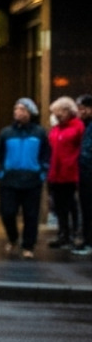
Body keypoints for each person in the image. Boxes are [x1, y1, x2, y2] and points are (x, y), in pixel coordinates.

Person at [0, 98, 50, 259]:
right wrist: (0, 172)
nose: (18, 112)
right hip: (9, 180)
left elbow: (45, 155)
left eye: (22, 109)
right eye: (16, 109)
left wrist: (42, 172)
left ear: (30, 113)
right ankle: (13, 238)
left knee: (31, 215)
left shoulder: (39, 133)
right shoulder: (6, 133)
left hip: (32, 180)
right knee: (8, 213)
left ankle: (28, 245)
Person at [46, 97, 83, 250]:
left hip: (70, 172)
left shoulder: (77, 127)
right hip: (55, 172)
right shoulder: (56, 129)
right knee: (59, 205)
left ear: (67, 110)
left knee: (70, 204)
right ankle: (63, 234)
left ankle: (74, 233)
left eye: (58, 111)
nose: (56, 115)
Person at [77, 95, 92, 257]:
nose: (80, 112)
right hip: (85, 174)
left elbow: (87, 152)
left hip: (88, 173)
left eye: (82, 109)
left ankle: (89, 241)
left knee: (88, 209)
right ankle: (87, 240)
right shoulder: (86, 126)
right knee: (86, 209)